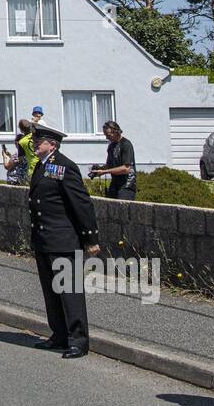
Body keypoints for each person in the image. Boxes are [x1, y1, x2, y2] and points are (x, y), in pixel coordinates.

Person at [28, 122, 99, 358]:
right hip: (44, 239)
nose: (35, 145)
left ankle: (78, 340)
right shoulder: (41, 166)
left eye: (39, 142)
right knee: (51, 291)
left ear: (52, 144)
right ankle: (59, 335)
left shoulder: (64, 166)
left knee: (69, 292)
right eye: (35, 142)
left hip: (63, 239)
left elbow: (81, 204)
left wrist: (90, 237)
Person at [89, 121, 136, 200]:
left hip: (127, 185)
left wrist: (104, 172)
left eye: (108, 135)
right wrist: (99, 169)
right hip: (115, 184)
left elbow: (126, 169)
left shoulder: (126, 145)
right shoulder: (111, 146)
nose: (107, 138)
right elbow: (109, 165)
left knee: (121, 210)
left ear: (116, 132)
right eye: (105, 135)